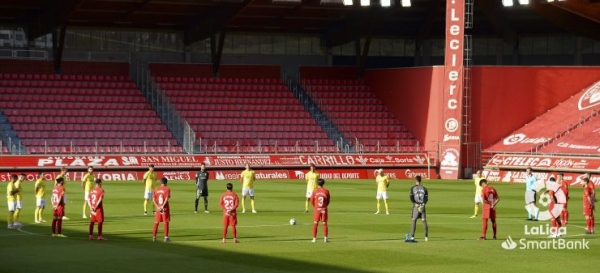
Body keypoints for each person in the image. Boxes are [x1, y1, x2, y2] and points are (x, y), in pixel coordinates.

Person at [408, 175, 428, 242]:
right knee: (423, 220)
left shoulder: (412, 188)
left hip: (416, 206)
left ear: (415, 180)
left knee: (414, 220)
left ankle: (412, 237)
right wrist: (422, 205)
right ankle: (426, 237)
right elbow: (426, 199)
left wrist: (416, 204)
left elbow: (411, 198)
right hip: (422, 206)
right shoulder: (424, 189)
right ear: (420, 180)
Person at [311, 178, 330, 243]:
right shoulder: (326, 191)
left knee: (315, 223)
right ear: (323, 183)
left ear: (317, 184)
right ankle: (325, 238)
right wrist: (324, 206)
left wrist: (316, 206)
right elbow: (328, 201)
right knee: (324, 223)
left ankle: (314, 239)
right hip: (324, 209)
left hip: (317, 209)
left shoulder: (315, 191)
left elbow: (312, 201)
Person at [152, 177, 171, 242]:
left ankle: (154, 238)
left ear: (161, 182)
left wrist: (157, 207)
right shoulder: (167, 189)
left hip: (158, 208)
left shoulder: (156, 189)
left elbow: (153, 199)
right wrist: (162, 206)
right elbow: (166, 199)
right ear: (166, 183)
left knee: (156, 222)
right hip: (164, 208)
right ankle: (166, 237)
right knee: (166, 222)